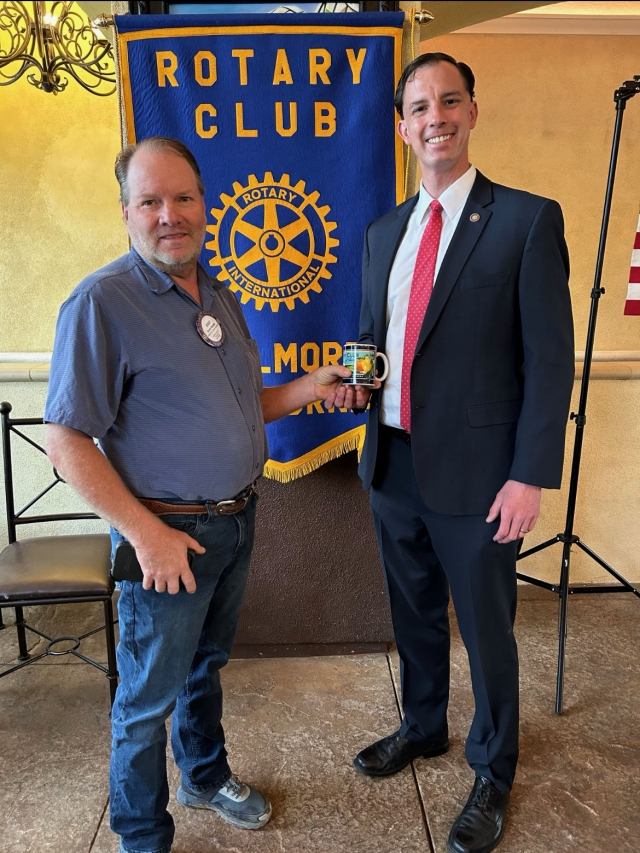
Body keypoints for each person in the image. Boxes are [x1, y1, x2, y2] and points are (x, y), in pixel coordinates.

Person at [44, 136, 365, 853]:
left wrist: (314, 387)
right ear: (126, 211)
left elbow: (246, 401)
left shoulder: (218, 292)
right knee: (144, 701)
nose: (169, 215)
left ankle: (204, 774)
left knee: (204, 666)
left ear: (205, 204)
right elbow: (66, 441)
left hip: (236, 521)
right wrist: (145, 535)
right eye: (150, 201)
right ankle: (141, 835)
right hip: (165, 537)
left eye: (182, 198)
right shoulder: (103, 302)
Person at [343, 53, 574, 853]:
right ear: (403, 127)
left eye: (448, 101)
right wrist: (354, 379)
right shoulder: (381, 233)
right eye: (417, 107)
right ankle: (423, 724)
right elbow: (375, 340)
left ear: (473, 112)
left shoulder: (525, 220)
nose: (433, 117)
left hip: (482, 479)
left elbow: (550, 359)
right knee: (413, 616)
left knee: (487, 627)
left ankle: (493, 766)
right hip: (393, 462)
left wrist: (529, 474)